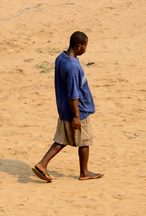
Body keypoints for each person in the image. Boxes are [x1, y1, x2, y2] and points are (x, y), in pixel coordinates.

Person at [32, 31, 104, 182]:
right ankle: (84, 172)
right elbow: (73, 95)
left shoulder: (61, 58)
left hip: (64, 108)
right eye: (85, 46)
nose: (86, 49)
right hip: (77, 110)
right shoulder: (73, 67)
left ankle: (42, 164)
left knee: (62, 140)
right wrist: (77, 116)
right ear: (78, 46)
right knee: (84, 141)